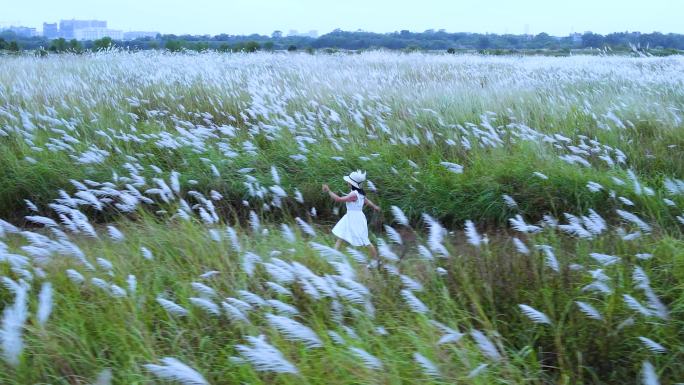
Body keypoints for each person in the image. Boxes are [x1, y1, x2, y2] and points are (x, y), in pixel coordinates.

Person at [322, 170, 379, 258]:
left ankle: (375, 260)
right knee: (341, 236)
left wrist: (329, 191)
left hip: (355, 219)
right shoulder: (360, 194)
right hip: (351, 217)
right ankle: (333, 256)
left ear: (352, 183)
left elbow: (339, 199)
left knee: (365, 240)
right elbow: (368, 202)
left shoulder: (354, 194)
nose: (347, 182)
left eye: (349, 181)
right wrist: (375, 206)